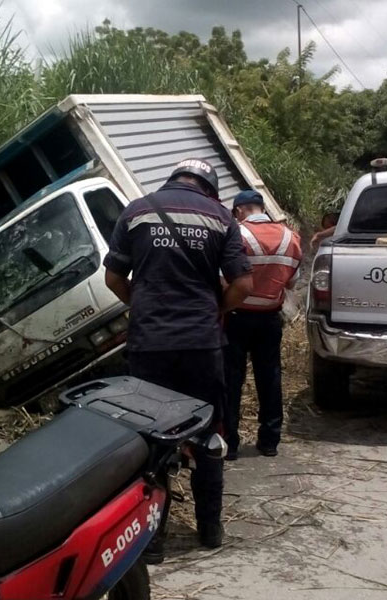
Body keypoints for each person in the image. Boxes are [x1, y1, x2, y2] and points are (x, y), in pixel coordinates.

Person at [103, 158, 254, 557]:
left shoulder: (136, 211)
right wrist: (215, 310)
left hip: (149, 345)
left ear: (173, 179)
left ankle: (151, 541)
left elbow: (113, 278)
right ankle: (210, 531)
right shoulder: (222, 218)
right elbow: (243, 284)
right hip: (203, 346)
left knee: (151, 440)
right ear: (209, 188)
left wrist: (146, 306)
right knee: (208, 434)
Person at [223, 190, 302, 460]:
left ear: (238, 211)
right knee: (270, 378)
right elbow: (291, 282)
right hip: (270, 318)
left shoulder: (237, 235)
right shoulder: (291, 237)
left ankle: (230, 444)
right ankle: (269, 441)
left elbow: (225, 278)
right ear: (261, 207)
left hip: (236, 318)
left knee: (231, 380)